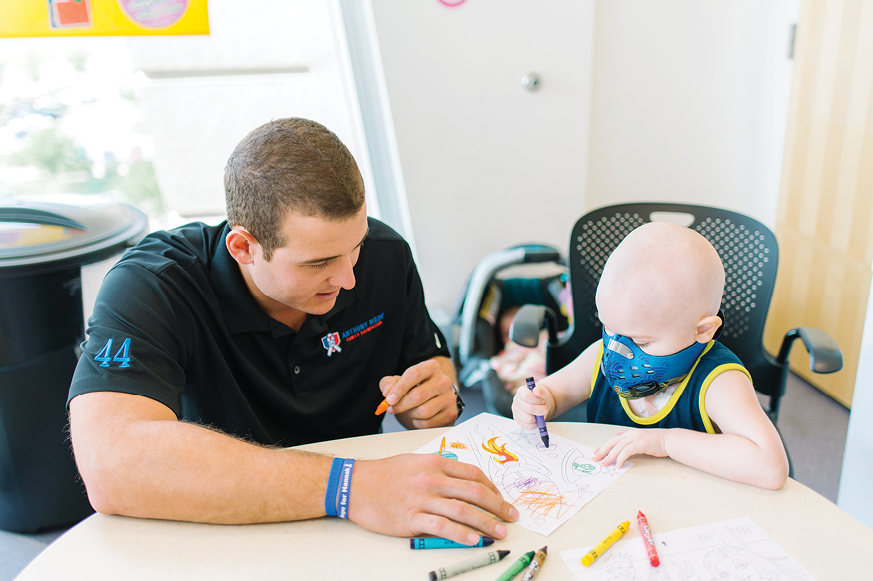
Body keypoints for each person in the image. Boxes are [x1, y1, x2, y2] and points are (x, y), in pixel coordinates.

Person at [68, 118, 518, 544]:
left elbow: (430, 363)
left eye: (354, 247)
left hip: (371, 516)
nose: (348, 280)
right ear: (244, 247)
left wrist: (437, 397)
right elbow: (110, 464)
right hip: (219, 527)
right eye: (318, 263)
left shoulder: (386, 256)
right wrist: (350, 487)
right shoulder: (153, 285)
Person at [511, 221, 789, 490]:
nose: (617, 350)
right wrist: (536, 403)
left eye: (640, 341)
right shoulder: (599, 356)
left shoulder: (719, 381)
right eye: (609, 328)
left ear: (703, 330)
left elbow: (771, 467)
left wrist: (666, 443)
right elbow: (555, 395)